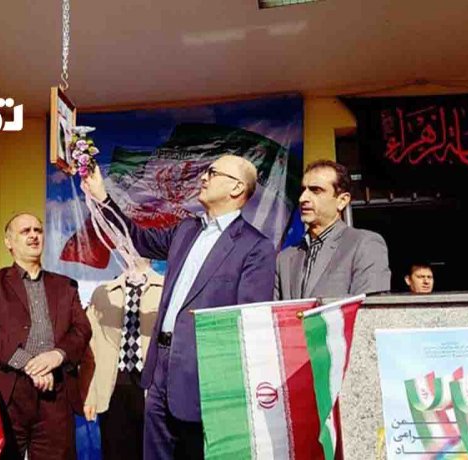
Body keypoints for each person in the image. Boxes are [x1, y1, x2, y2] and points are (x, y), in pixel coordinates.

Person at [82, 154, 276, 460]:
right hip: (160, 366)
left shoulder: (255, 247)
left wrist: (224, 385)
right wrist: (102, 197)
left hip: (204, 376)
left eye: (212, 172)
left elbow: (247, 324)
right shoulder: (186, 230)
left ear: (237, 188)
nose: (203, 177)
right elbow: (136, 239)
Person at [0, 213, 91, 460]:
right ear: (9, 241)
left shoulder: (66, 286)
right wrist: (27, 363)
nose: (34, 236)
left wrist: (57, 355)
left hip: (56, 394)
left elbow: (82, 329)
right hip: (8, 394)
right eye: (25, 231)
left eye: (38, 230)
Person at [81, 258, 163, 460]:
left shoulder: (166, 290)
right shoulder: (103, 293)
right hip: (114, 388)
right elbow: (90, 347)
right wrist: (89, 395)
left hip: (153, 389)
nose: (132, 249)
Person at [275, 160, 390, 299]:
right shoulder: (285, 258)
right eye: (303, 190)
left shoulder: (364, 245)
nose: (302, 198)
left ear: (342, 200)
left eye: (316, 190)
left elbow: (370, 308)